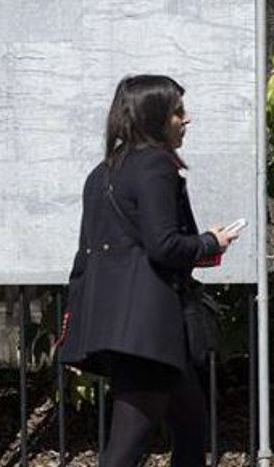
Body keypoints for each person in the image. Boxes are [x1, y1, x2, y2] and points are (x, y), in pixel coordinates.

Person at [57, 74, 241, 467]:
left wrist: (73, 330)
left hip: (120, 326)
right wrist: (211, 241)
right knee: (125, 450)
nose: (185, 120)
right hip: (146, 330)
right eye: (177, 112)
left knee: (191, 425)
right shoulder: (156, 166)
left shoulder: (102, 172)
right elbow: (165, 245)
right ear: (153, 115)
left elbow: (84, 260)